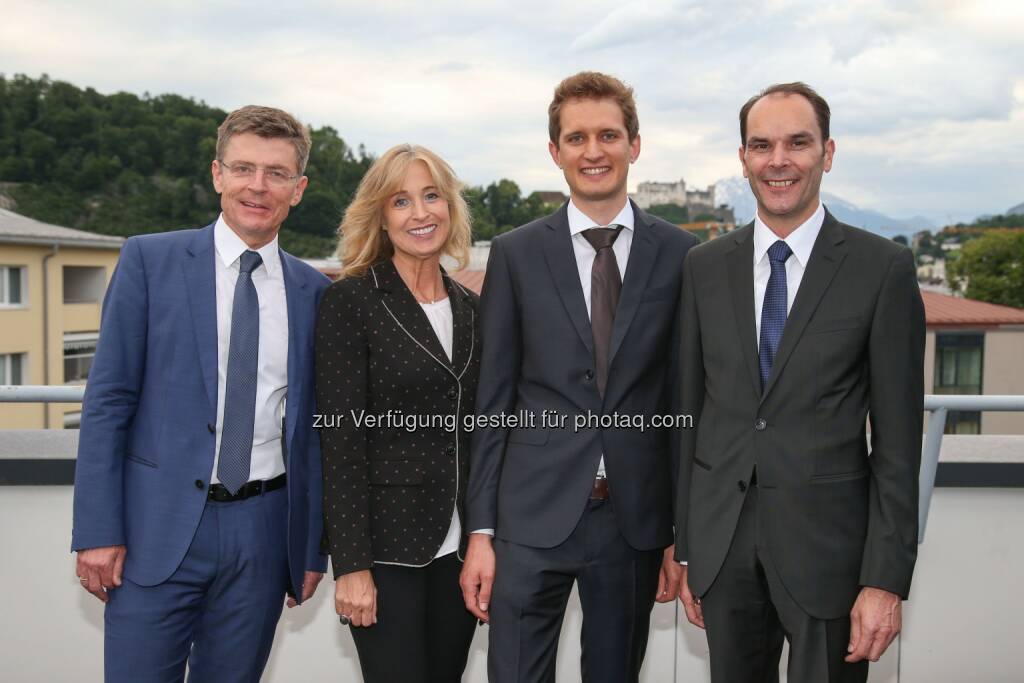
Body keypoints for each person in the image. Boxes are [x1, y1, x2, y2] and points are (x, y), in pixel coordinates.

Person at [674, 82, 925, 682]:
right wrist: (684, 545)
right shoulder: (703, 267)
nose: (778, 160)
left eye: (798, 143)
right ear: (743, 160)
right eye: (761, 145)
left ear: (828, 153)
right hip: (723, 548)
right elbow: (688, 414)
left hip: (832, 557)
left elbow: (897, 443)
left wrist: (884, 579)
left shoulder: (881, 269)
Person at [71, 105, 329, 682]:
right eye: (243, 168)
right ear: (218, 174)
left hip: (264, 533)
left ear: (299, 188)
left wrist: (311, 548)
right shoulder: (148, 260)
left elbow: (313, 432)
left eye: (276, 173)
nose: (257, 186)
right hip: (152, 529)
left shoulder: (313, 291)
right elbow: (108, 400)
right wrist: (97, 530)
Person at [459, 71, 697, 682]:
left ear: (634, 144)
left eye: (609, 135)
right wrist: (480, 531)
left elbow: (684, 400)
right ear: (555, 151)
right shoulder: (514, 253)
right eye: (577, 138)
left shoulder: (681, 254)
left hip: (634, 525)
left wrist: (681, 534)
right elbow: (492, 401)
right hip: (526, 521)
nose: (594, 151)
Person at [315, 144, 480, 682]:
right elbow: (340, 444)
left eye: (432, 196)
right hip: (387, 552)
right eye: (402, 201)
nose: (421, 213)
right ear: (381, 218)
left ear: (450, 208)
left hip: (462, 551)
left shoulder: (473, 308)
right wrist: (353, 567)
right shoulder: (352, 302)